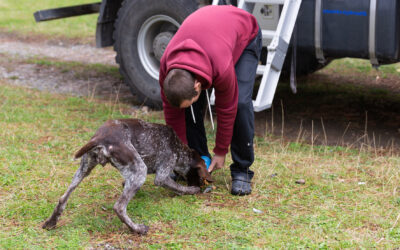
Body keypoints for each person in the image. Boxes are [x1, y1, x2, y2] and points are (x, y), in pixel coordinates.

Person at [159, 5, 262, 196]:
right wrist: (181, 156)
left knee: (239, 103)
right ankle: (198, 160)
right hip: (210, 39)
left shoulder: (221, 66)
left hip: (244, 36)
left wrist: (221, 151)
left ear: (198, 85)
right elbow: (173, 115)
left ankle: (242, 170)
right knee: (188, 108)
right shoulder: (167, 68)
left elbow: (227, 108)